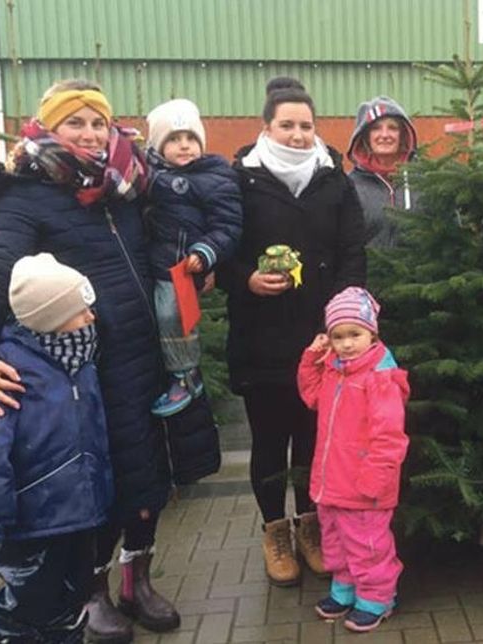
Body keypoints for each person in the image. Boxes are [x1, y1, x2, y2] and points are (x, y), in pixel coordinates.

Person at [0, 79, 178, 643]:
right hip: (81, 373)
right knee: (96, 489)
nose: (88, 134)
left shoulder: (122, 188)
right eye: (73, 123)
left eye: (97, 123)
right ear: (47, 129)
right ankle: (92, 593)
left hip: (141, 361)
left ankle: (139, 580)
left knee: (144, 482)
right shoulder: (24, 196)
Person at [218, 77, 366, 586]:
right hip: (260, 333)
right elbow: (221, 250)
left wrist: (343, 314)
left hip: (320, 337)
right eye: (287, 125)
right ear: (267, 128)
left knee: (311, 437)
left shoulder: (334, 179)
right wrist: (247, 280)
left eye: (307, 125)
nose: (299, 135)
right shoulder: (241, 180)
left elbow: (353, 251)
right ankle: (274, 530)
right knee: (268, 439)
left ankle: (309, 526)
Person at [0, 254, 110, 643]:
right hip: (33, 520)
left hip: (80, 512)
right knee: (26, 603)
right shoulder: (9, 373)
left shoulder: (82, 359)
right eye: (80, 310)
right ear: (51, 318)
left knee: (72, 599)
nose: (90, 318)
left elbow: (95, 430)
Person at [297, 287, 409, 632]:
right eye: (338, 336)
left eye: (354, 335)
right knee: (336, 539)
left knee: (368, 546)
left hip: (365, 484)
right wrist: (310, 361)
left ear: (372, 333)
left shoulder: (380, 378)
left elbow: (390, 435)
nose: (346, 344)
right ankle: (344, 589)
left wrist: (376, 477)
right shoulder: (334, 370)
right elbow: (312, 396)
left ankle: (377, 598)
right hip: (331, 482)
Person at [144, 98, 242, 417]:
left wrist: (206, 252)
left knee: (173, 315)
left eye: (190, 139)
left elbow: (228, 225)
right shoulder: (148, 174)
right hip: (150, 264)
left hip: (183, 268)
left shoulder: (215, 177)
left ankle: (185, 375)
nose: (184, 146)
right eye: (173, 140)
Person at [346, 96, 418, 248]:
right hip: (365, 271)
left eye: (392, 128)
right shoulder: (348, 186)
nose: (385, 135)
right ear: (365, 136)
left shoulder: (424, 183)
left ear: (403, 135)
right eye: (376, 128)